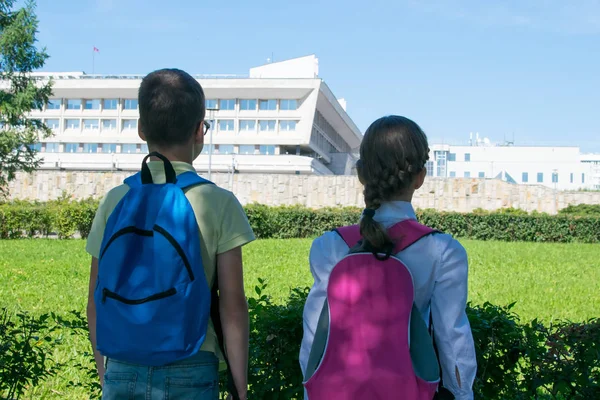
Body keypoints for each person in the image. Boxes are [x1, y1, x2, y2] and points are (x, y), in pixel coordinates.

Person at [85, 68, 254, 400]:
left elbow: (95, 298)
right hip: (191, 363)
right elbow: (232, 306)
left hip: (122, 363)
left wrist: (106, 373)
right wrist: (240, 389)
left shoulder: (115, 200)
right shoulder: (218, 202)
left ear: (140, 128)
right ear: (198, 131)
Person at [300, 115, 477, 399]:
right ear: (420, 177)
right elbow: (451, 336)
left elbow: (314, 333)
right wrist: (462, 393)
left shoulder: (329, 246)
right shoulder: (444, 251)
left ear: (361, 174)